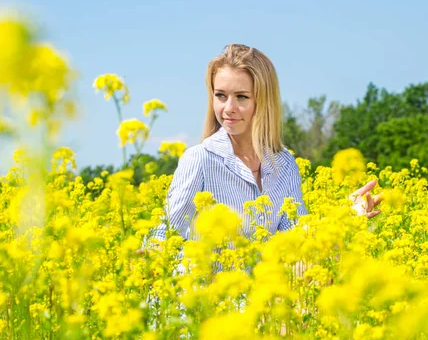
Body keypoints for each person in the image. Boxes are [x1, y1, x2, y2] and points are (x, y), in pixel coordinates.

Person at [155, 44, 381, 242]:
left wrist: (344, 216)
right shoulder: (200, 159)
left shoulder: (284, 164)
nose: (228, 108)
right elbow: (164, 236)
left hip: (267, 289)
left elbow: (296, 238)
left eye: (241, 97)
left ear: (263, 101)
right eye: (221, 96)